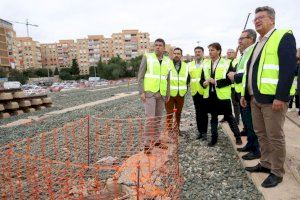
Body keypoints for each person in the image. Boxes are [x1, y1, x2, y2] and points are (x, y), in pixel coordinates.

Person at [241, 6, 297, 188]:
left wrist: (281, 96)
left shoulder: (283, 36)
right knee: (261, 133)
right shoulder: (258, 43)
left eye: (261, 17)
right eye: (255, 18)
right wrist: (244, 94)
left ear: (272, 20)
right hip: (255, 97)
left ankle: (277, 172)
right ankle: (265, 163)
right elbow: (251, 71)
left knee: (275, 136)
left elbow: (288, 69)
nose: (257, 20)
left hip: (273, 99)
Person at [228, 29, 261, 160]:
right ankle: (250, 144)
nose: (239, 41)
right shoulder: (244, 53)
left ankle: (256, 149)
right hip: (242, 93)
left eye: (242, 38)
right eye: (239, 39)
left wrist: (234, 76)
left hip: (248, 94)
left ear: (251, 39)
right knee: (247, 123)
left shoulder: (253, 52)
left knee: (252, 124)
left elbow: (251, 74)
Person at [202, 42, 242, 147]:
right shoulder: (205, 63)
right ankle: (214, 139)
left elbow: (231, 80)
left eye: (212, 50)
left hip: (222, 96)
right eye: (209, 50)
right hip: (210, 96)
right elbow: (202, 79)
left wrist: (215, 82)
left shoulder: (227, 63)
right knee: (213, 117)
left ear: (219, 51)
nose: (210, 52)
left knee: (229, 117)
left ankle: (238, 137)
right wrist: (204, 83)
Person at [138, 38, 171, 154]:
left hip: (161, 93)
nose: (157, 47)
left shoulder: (167, 61)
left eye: (160, 45)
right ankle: (147, 144)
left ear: (164, 47)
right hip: (149, 92)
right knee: (150, 119)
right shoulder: (147, 57)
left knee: (158, 118)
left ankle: (156, 141)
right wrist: (141, 91)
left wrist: (168, 93)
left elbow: (168, 78)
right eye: (156, 45)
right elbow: (140, 76)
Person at [165, 47, 189, 132]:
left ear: (181, 55)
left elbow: (188, 79)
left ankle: (177, 129)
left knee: (178, 113)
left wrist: (185, 89)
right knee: (169, 114)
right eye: (175, 53)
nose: (176, 55)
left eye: (178, 54)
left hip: (181, 94)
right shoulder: (167, 64)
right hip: (169, 95)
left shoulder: (186, 66)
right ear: (172, 55)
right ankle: (169, 131)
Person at [189, 46, 208, 140]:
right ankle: (200, 131)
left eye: (199, 51)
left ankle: (204, 132)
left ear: (203, 53)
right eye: (196, 52)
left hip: (204, 91)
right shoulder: (190, 64)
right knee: (197, 112)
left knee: (204, 112)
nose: (197, 53)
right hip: (194, 91)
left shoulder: (207, 63)